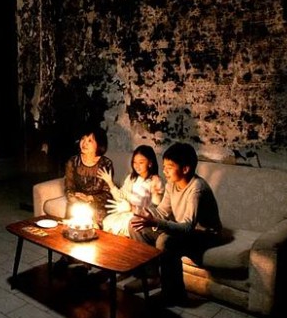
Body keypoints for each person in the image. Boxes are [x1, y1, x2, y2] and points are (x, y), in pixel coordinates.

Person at [126, 142, 223, 306]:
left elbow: (188, 226)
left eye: (169, 167)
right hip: (187, 232)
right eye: (164, 167)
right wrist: (146, 215)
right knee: (135, 225)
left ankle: (173, 295)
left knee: (165, 240)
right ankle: (152, 276)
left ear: (185, 169)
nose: (164, 171)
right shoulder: (172, 184)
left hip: (206, 236)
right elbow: (162, 211)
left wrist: (156, 222)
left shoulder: (197, 188)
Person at [55, 126, 114, 272]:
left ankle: (86, 262)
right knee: (72, 225)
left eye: (90, 140)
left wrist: (90, 198)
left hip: (96, 203)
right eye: (83, 139)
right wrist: (75, 199)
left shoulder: (106, 164)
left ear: (99, 145)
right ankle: (67, 256)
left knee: (90, 226)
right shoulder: (73, 161)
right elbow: (69, 188)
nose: (84, 143)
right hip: (77, 202)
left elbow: (108, 193)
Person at [98, 145, 163, 237]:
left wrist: (132, 208)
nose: (137, 166)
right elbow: (120, 197)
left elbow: (156, 209)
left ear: (150, 163)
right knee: (108, 226)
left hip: (141, 218)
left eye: (141, 162)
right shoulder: (131, 178)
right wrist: (110, 182)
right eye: (134, 162)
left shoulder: (155, 181)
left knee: (123, 233)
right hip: (126, 214)